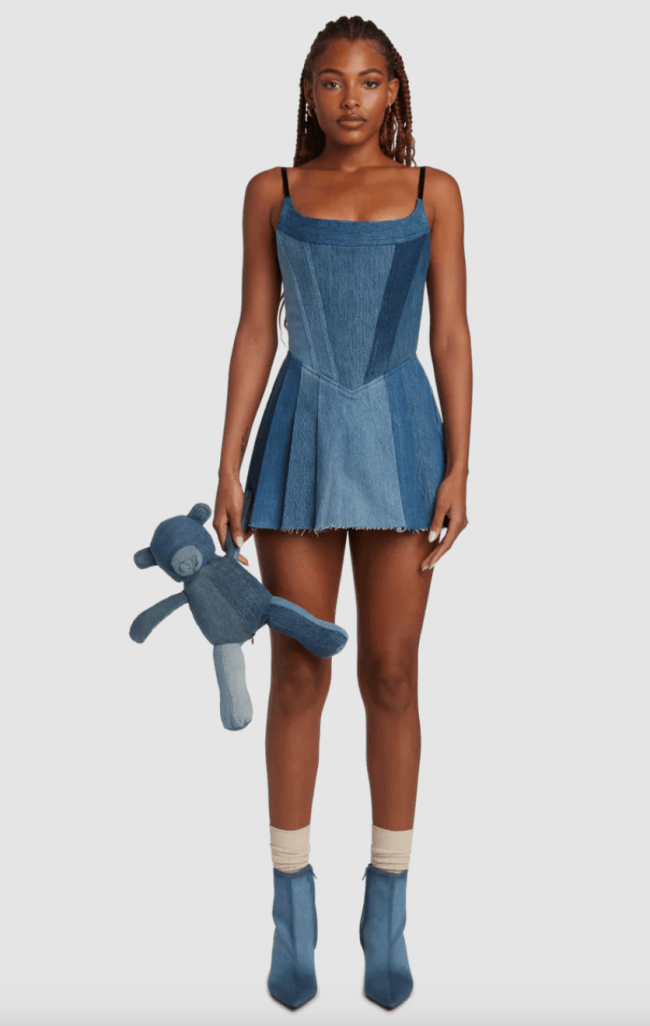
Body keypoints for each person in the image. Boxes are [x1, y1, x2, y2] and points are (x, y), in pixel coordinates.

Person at [214, 15, 472, 1011]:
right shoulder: (270, 191)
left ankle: (388, 907)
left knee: (393, 674)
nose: (350, 98)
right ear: (308, 92)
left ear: (393, 91)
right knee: (298, 669)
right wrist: (227, 462)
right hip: (301, 434)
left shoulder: (434, 191)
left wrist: (461, 463)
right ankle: (291, 908)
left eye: (368, 81)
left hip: (404, 438)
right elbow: (254, 328)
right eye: (331, 81)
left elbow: (450, 332)